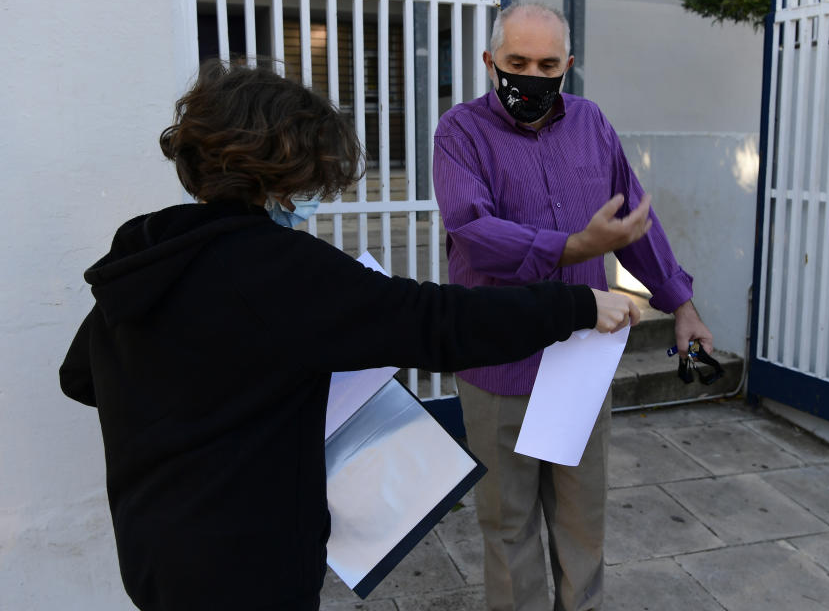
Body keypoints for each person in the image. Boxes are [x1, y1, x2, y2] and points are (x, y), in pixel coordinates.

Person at [58, 60, 645, 611]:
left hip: (152, 547)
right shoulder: (275, 268)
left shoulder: (149, 254)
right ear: (281, 168)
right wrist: (575, 303)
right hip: (247, 562)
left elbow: (81, 376)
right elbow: (439, 323)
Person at [432, 3, 714, 611]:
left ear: (569, 66)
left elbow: (634, 220)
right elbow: (473, 232)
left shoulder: (592, 125)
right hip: (497, 361)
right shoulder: (460, 133)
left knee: (581, 522)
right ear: (489, 62)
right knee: (508, 527)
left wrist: (681, 303)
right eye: (516, 63)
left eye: (547, 64)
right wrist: (574, 247)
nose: (531, 75)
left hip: (577, 362)